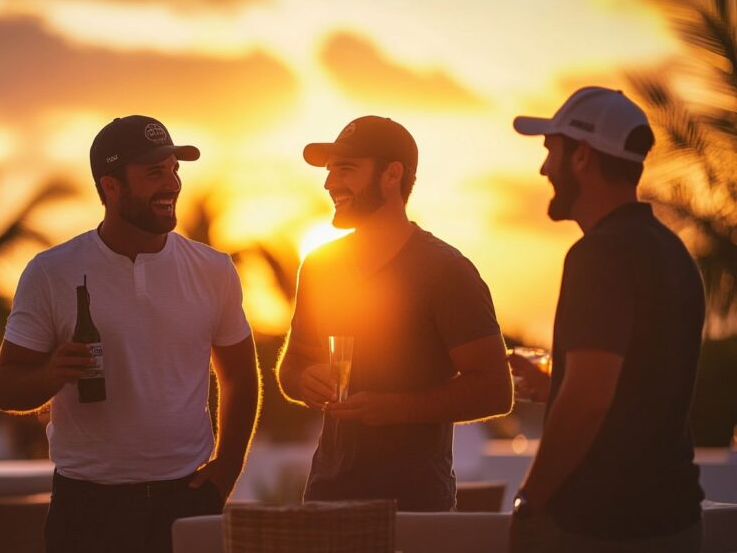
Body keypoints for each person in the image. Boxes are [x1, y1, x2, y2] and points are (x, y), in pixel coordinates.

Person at [0, 115, 260, 553]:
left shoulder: (214, 270)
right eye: (155, 172)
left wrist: (226, 470)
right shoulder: (50, 272)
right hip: (86, 505)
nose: (171, 183)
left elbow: (240, 377)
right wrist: (52, 372)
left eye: (174, 169)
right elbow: (6, 390)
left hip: (187, 498)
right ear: (111, 186)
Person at [277, 115, 513, 511]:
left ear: (392, 174)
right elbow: (291, 369)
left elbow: (495, 390)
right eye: (331, 170)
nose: (330, 183)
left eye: (346, 169)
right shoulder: (318, 266)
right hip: (325, 499)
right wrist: (304, 380)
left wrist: (395, 408)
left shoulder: (446, 270)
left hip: (415, 504)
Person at [509, 87, 705, 552]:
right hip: (674, 520)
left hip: (601, 526)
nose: (543, 169)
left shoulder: (599, 254)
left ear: (581, 156)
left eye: (550, 152)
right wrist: (554, 384)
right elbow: (637, 382)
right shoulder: (673, 253)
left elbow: (590, 398)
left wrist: (529, 500)